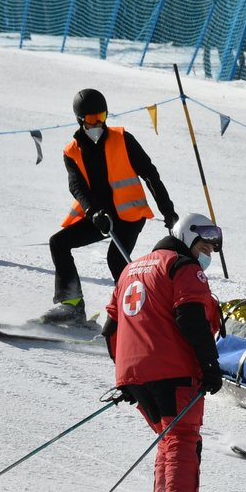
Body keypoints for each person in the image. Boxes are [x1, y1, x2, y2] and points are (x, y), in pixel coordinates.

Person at [102, 213, 225, 492]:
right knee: (183, 437)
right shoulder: (182, 268)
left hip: (135, 374)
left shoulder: (131, 269)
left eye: (212, 250)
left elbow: (110, 327)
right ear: (186, 237)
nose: (207, 255)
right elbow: (191, 317)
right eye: (204, 246)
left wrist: (126, 374)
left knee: (170, 438)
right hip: (173, 369)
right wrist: (210, 365)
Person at [44, 87, 178, 326]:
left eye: (102, 117)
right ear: (80, 119)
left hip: (129, 215)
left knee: (116, 260)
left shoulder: (123, 139)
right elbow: (78, 188)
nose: (97, 123)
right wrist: (93, 213)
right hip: (100, 217)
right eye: (91, 118)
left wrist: (168, 210)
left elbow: (150, 175)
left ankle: (140, 314)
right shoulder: (72, 151)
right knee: (59, 242)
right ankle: (72, 305)